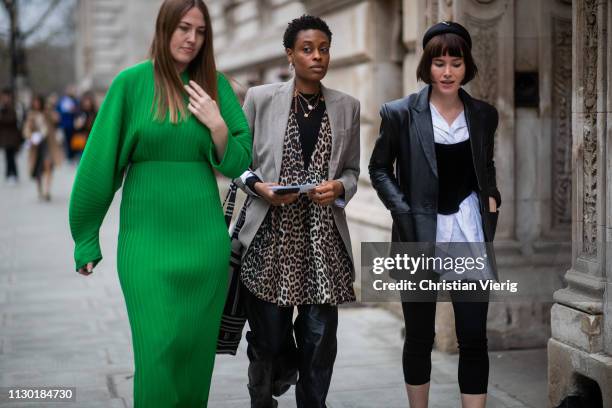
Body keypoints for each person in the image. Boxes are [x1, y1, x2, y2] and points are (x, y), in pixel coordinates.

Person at [68, 0, 252, 406]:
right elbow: (99, 165)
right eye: (184, 28)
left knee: (193, 357)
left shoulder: (215, 86)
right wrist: (85, 235)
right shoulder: (130, 84)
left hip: (204, 247)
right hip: (146, 246)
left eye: (201, 31)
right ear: (164, 28)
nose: (192, 38)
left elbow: (241, 160)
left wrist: (217, 124)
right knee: (157, 351)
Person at [369, 21, 501, 408]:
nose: (447, 72)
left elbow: (485, 166)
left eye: (455, 63)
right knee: (420, 336)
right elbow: (379, 169)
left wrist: (491, 195)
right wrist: (403, 209)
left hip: (467, 231)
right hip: (418, 233)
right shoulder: (400, 114)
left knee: (474, 335)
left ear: (466, 66)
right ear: (426, 66)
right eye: (438, 62)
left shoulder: (483, 115)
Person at [235, 14, 360, 408]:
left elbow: (354, 171)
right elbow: (236, 163)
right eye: (307, 49)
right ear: (290, 54)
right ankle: (265, 394)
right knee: (270, 342)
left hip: (323, 244)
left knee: (320, 346)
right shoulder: (260, 98)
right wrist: (260, 187)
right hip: (270, 240)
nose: (317, 56)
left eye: (323, 49)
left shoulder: (347, 107)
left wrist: (340, 187)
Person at [22, 95, 62, 201]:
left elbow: (57, 118)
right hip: (36, 146)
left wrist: (49, 108)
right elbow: (26, 129)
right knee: (38, 169)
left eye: (38, 102)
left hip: (48, 144)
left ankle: (47, 191)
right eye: (35, 102)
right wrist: (30, 136)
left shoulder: (47, 113)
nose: (37, 104)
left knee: (48, 165)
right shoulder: (31, 115)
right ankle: (40, 190)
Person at [0, 88, 22, 185]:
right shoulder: (2, 107)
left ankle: (14, 174)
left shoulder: (13, 107)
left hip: (12, 137)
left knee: (12, 156)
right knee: (7, 156)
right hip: (4, 137)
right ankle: (8, 174)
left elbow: (13, 120)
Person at [56, 85, 78, 162]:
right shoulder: (62, 100)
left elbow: (77, 109)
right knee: (67, 140)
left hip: (73, 124)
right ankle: (69, 155)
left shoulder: (75, 100)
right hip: (65, 124)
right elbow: (58, 110)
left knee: (73, 140)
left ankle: (73, 154)